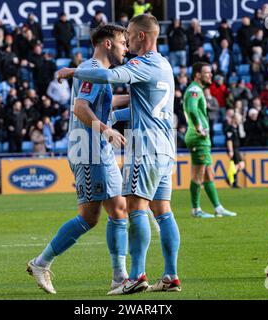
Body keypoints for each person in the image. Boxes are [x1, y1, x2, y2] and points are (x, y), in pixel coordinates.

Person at [59, 14, 181, 295]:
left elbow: (108, 75)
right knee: (163, 211)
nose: (125, 42)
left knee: (136, 209)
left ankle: (136, 275)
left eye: (128, 35)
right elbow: (143, 108)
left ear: (141, 36)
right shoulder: (165, 65)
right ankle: (171, 275)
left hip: (145, 147)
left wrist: (73, 72)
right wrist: (108, 118)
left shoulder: (142, 63)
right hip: (166, 147)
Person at [26, 24, 130, 294]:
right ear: (108, 44)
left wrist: (134, 98)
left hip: (97, 150)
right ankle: (41, 263)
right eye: (122, 42)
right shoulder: (92, 68)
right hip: (88, 150)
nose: (126, 47)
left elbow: (106, 101)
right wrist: (106, 130)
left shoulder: (99, 73)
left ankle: (120, 278)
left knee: (118, 210)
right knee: (90, 216)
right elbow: (80, 107)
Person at [183, 62, 237, 218]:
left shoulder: (197, 89)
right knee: (198, 176)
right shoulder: (194, 90)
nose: (210, 75)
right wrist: (199, 127)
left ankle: (217, 207)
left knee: (208, 175)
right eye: (207, 72)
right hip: (198, 138)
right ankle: (196, 210)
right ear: (197, 75)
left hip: (201, 139)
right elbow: (192, 109)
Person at [225, 113, 245, 188]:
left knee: (241, 165)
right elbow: (229, 141)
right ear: (234, 119)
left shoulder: (236, 128)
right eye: (238, 118)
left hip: (237, 149)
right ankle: (234, 183)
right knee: (236, 165)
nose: (240, 120)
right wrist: (230, 151)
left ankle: (229, 179)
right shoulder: (230, 128)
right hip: (233, 149)